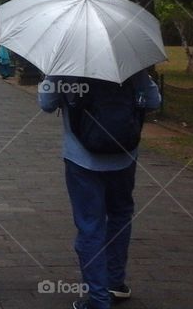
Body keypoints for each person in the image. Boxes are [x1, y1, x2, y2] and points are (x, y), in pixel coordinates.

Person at [39, 69, 160, 309]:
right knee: (120, 216)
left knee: (90, 225)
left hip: (81, 159)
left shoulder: (65, 66)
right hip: (124, 156)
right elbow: (154, 101)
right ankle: (115, 281)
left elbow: (46, 104)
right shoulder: (129, 65)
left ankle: (98, 298)